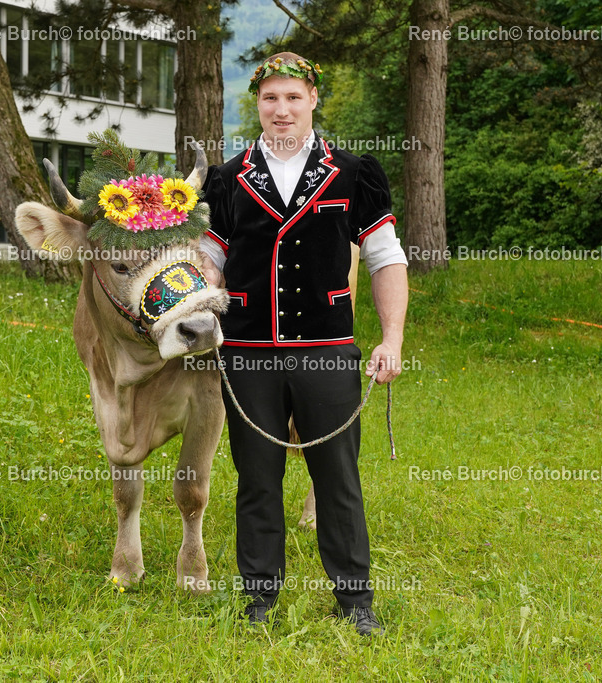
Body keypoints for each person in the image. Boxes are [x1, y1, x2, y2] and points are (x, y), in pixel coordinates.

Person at [198, 52, 409, 636]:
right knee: (257, 478)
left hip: (326, 350)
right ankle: (259, 599)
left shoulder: (354, 172)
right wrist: (195, 299)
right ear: (257, 104)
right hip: (246, 353)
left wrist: (390, 338)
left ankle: (356, 603)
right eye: (270, 98)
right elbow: (210, 260)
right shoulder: (227, 177)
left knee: (338, 478)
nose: (282, 109)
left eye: (293, 97)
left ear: (314, 100)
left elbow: (386, 258)